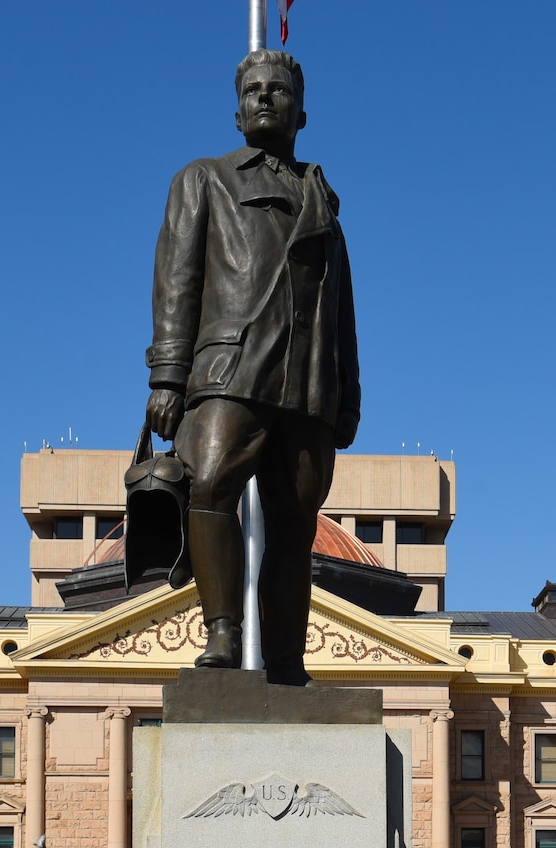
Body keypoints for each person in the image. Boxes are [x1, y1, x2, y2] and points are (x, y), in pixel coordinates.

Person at [138, 47, 360, 685]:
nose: (266, 98)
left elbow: (341, 305)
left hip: (308, 380)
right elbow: (175, 282)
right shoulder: (204, 179)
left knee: (295, 520)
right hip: (229, 370)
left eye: (279, 90)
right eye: (254, 90)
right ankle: (223, 633)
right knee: (207, 485)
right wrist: (167, 375)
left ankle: (287, 658)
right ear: (237, 113)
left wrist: (349, 394)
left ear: (302, 112)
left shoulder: (324, 202)